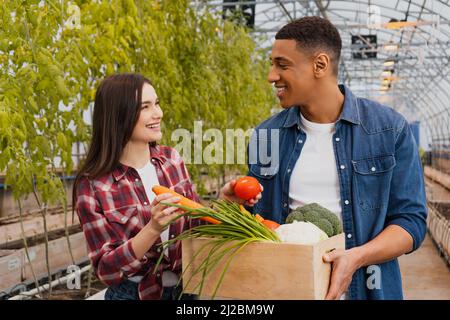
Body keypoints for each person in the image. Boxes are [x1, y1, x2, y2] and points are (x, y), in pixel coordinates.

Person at [247, 17, 427, 300]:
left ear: (320, 65)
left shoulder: (389, 129)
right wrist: (233, 205)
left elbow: (411, 222)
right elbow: (254, 220)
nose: (271, 75)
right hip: (288, 290)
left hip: (367, 291)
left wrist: (357, 257)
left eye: (282, 65)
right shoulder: (266, 135)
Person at [73, 73, 259, 300]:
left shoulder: (171, 160)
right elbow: (107, 271)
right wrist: (152, 229)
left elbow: (193, 227)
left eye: (157, 104)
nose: (158, 113)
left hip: (187, 289)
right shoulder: (93, 186)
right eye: (145, 107)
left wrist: (222, 203)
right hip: (134, 294)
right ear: (119, 114)